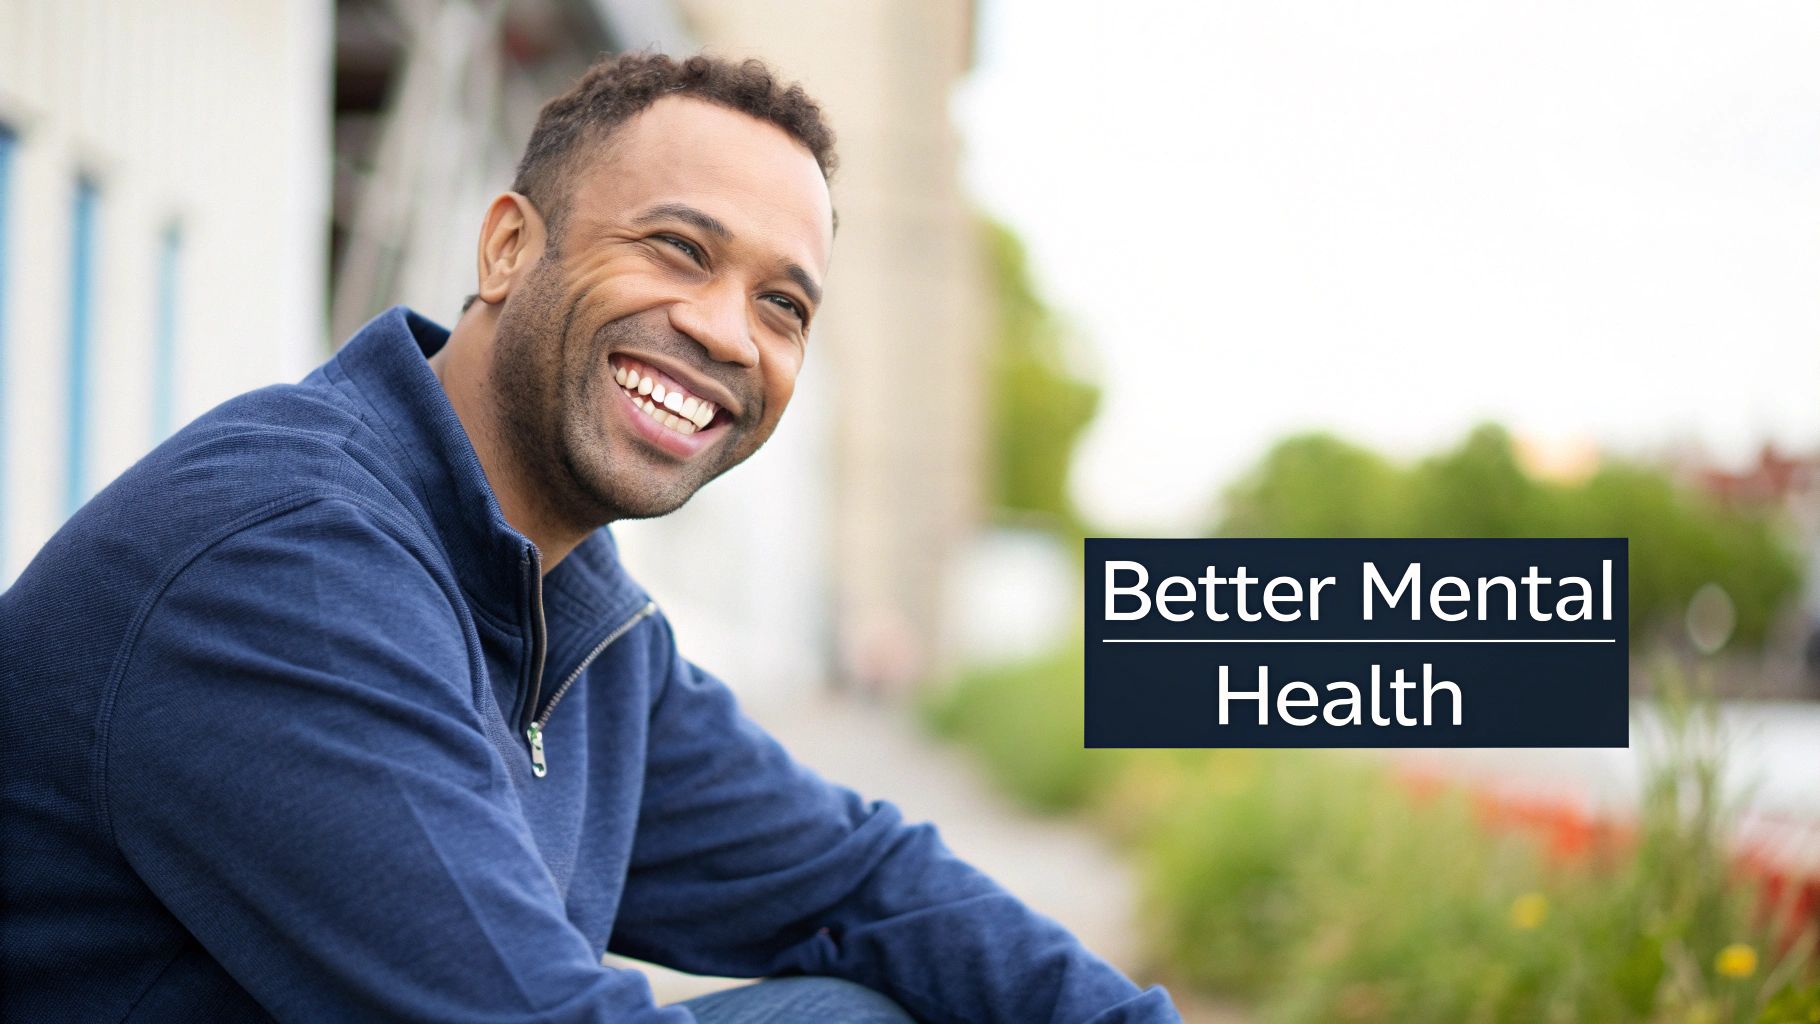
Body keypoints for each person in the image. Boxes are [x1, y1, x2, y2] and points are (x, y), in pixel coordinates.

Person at [0, 51, 1180, 1023]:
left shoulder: (573, 616)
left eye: (783, 305)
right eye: (678, 248)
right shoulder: (286, 561)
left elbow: (864, 882)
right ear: (508, 246)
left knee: (882, 1002)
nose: (725, 331)